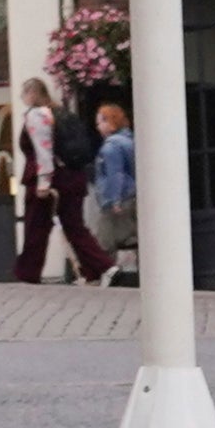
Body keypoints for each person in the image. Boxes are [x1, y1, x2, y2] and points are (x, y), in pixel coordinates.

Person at [31, 79, 108, 282]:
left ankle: (104, 266)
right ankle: (92, 271)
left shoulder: (41, 117)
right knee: (74, 226)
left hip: (62, 178)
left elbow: (44, 152)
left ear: (33, 94)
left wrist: (43, 183)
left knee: (72, 227)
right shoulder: (66, 114)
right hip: (77, 175)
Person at [89, 98, 142, 279]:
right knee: (138, 237)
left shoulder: (111, 147)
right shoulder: (130, 141)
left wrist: (115, 200)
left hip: (117, 200)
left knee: (104, 241)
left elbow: (115, 174)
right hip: (133, 196)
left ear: (110, 122)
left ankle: (106, 277)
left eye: (101, 122)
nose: (98, 126)